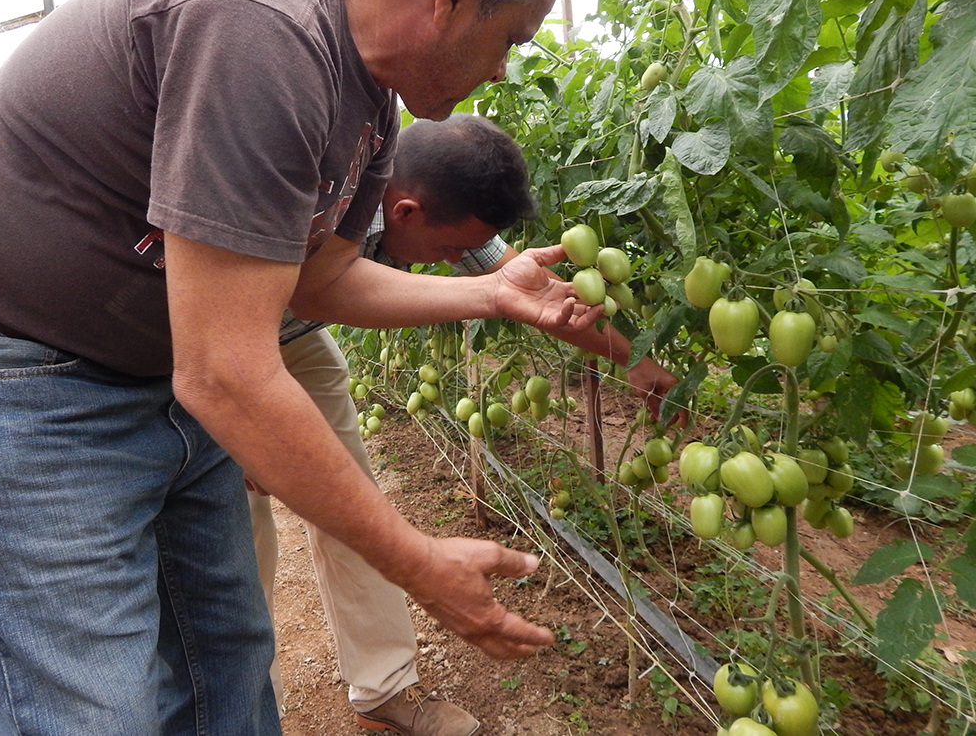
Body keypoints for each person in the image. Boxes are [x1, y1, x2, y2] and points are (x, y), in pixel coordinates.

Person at [0, 0, 581, 736]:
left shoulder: (367, 98)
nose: (505, 69)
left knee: (224, 672)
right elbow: (228, 374)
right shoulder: (263, 28)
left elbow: (320, 283)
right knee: (93, 712)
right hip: (7, 374)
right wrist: (418, 562)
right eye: (511, 36)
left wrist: (495, 295)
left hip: (144, 372)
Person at [255, 114, 680, 735]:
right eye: (453, 249)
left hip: (295, 338)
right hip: (202, 333)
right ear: (404, 212)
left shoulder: (439, 207)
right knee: (234, 530)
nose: (460, 260)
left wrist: (635, 359)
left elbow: (539, 296)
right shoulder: (303, 187)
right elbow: (257, 310)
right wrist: (236, 430)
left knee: (350, 496)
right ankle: (245, 705)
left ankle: (385, 687)